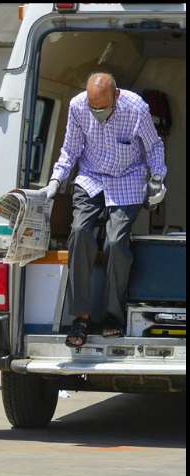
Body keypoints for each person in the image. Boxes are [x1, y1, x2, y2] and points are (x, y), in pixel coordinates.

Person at [39, 73, 166, 348]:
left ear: (116, 96)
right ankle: (80, 317)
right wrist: (55, 181)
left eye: (103, 108)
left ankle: (112, 316)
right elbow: (70, 150)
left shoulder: (136, 108)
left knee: (116, 242)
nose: (97, 112)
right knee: (79, 233)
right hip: (90, 178)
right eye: (93, 107)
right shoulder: (77, 106)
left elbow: (154, 146)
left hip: (127, 179)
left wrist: (157, 178)